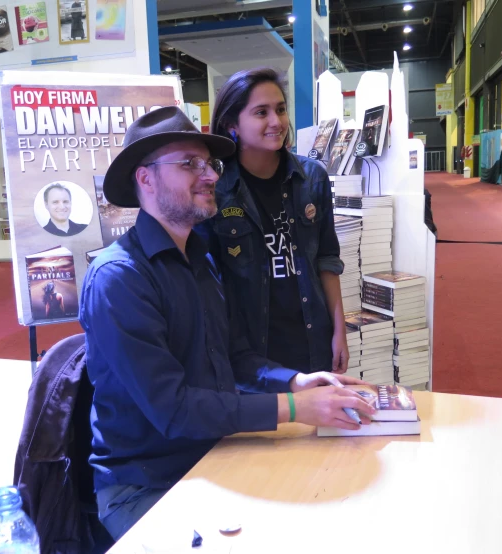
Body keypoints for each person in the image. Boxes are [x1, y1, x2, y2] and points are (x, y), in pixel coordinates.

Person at [79, 106, 376, 542]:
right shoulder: (119, 280)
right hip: (145, 485)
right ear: (145, 179)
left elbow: (234, 356)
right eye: (188, 164)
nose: (211, 176)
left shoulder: (200, 260)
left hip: (211, 453)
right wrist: (291, 409)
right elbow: (174, 410)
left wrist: (295, 381)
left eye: (209, 164)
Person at [200, 67, 348, 375]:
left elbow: (327, 260)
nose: (276, 122)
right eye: (260, 112)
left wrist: (339, 331)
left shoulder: (312, 178)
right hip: (251, 353)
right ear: (232, 125)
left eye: (280, 109)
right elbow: (207, 281)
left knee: (316, 422)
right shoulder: (216, 189)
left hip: (312, 340)